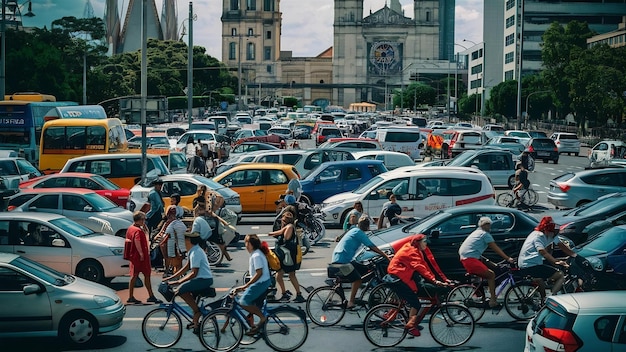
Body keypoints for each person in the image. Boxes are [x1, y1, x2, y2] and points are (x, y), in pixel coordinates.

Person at [386, 234, 451, 336]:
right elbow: (420, 267)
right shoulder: (412, 252)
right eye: (424, 242)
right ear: (418, 243)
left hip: (400, 275)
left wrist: (436, 279)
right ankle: (411, 326)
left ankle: (398, 315)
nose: (426, 244)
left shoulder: (414, 249)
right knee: (415, 303)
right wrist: (434, 281)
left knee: (416, 292)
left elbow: (425, 266)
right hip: (399, 277)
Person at [332, 215, 391, 309]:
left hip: (339, 256)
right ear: (367, 227)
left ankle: (356, 293)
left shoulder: (354, 230)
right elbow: (371, 246)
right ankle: (351, 302)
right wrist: (385, 255)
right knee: (357, 279)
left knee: (361, 268)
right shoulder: (359, 233)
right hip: (342, 260)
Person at [458, 216, 516, 308]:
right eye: (488, 225)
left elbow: (475, 250)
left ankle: (486, 294)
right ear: (485, 225)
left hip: (466, 259)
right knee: (491, 275)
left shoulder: (476, 233)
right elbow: (496, 248)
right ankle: (493, 300)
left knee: (488, 273)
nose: (490, 227)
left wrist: (490, 263)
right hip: (470, 260)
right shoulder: (485, 235)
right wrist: (508, 258)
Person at [518, 216, 577, 303]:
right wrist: (556, 261)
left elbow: (561, 245)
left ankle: (544, 291)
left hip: (532, 262)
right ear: (547, 230)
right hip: (530, 264)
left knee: (549, 269)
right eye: (552, 231)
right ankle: (550, 298)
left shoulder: (549, 234)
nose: (554, 234)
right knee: (560, 275)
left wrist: (574, 254)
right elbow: (543, 252)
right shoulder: (538, 236)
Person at [163, 231, 214, 333]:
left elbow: (194, 273)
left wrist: (178, 282)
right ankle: (196, 318)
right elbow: (186, 268)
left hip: (203, 280)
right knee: (183, 289)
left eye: (184, 240)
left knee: (181, 289)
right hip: (200, 279)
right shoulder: (192, 251)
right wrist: (171, 278)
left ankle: (197, 311)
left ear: (189, 241)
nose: (183, 242)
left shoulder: (196, 252)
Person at [234, 234, 272, 336]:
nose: (245, 245)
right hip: (262, 282)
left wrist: (245, 286)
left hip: (260, 283)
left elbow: (258, 273)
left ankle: (262, 318)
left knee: (243, 302)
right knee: (253, 304)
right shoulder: (256, 253)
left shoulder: (256, 255)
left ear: (252, 244)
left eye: (247, 242)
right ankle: (256, 326)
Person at [126, 211, 162, 304]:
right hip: (140, 256)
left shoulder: (131, 228)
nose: (144, 221)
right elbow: (137, 241)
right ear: (140, 220)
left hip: (133, 256)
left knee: (134, 276)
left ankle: (131, 296)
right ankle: (151, 295)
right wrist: (141, 254)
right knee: (146, 275)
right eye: (143, 219)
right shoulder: (138, 231)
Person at [269, 211, 305, 303]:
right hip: (287, 255)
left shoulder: (289, 227)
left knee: (283, 275)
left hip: (288, 256)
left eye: (283, 219)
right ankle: (295, 294)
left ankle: (288, 294)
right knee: (288, 275)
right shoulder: (288, 227)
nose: (282, 220)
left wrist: (273, 233)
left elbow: (286, 237)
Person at [164, 205, 188, 275]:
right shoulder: (178, 223)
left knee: (177, 263)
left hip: (175, 250)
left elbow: (180, 240)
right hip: (174, 249)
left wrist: (182, 251)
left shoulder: (176, 224)